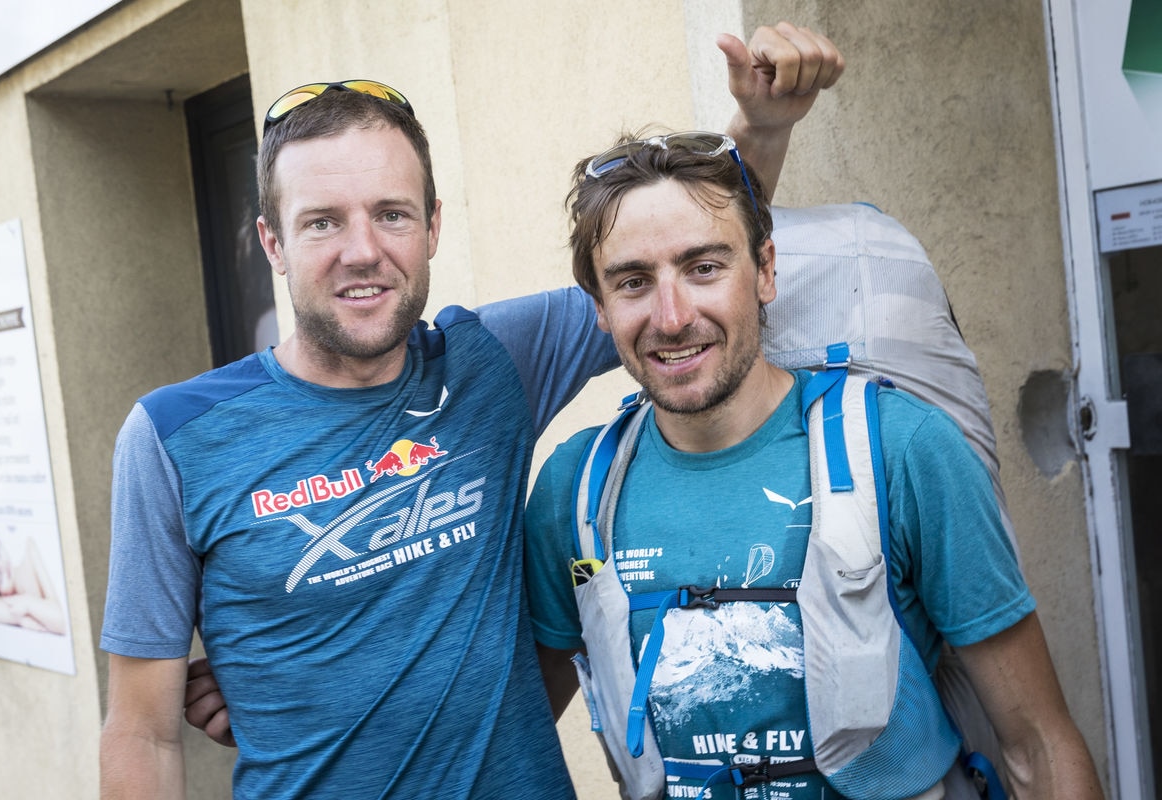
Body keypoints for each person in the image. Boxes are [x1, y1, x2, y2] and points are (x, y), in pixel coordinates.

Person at [99, 25, 844, 799]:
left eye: (391, 214)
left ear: (432, 228)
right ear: (272, 243)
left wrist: (762, 125)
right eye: (322, 221)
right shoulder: (173, 437)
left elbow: (679, 245)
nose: (362, 250)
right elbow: (141, 733)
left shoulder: (491, 363)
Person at [523, 134, 1105, 799]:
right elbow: (508, 745)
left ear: (765, 270)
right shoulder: (575, 494)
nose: (673, 317)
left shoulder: (901, 450)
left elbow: (1037, 744)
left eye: (704, 267)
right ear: (599, 306)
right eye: (633, 282)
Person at [0, 532, 67, 635]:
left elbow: (64, 622)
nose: (4, 565)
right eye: (0, 575)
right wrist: (21, 619)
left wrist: (27, 603)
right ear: (0, 592)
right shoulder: (9, 604)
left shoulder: (30, 549)